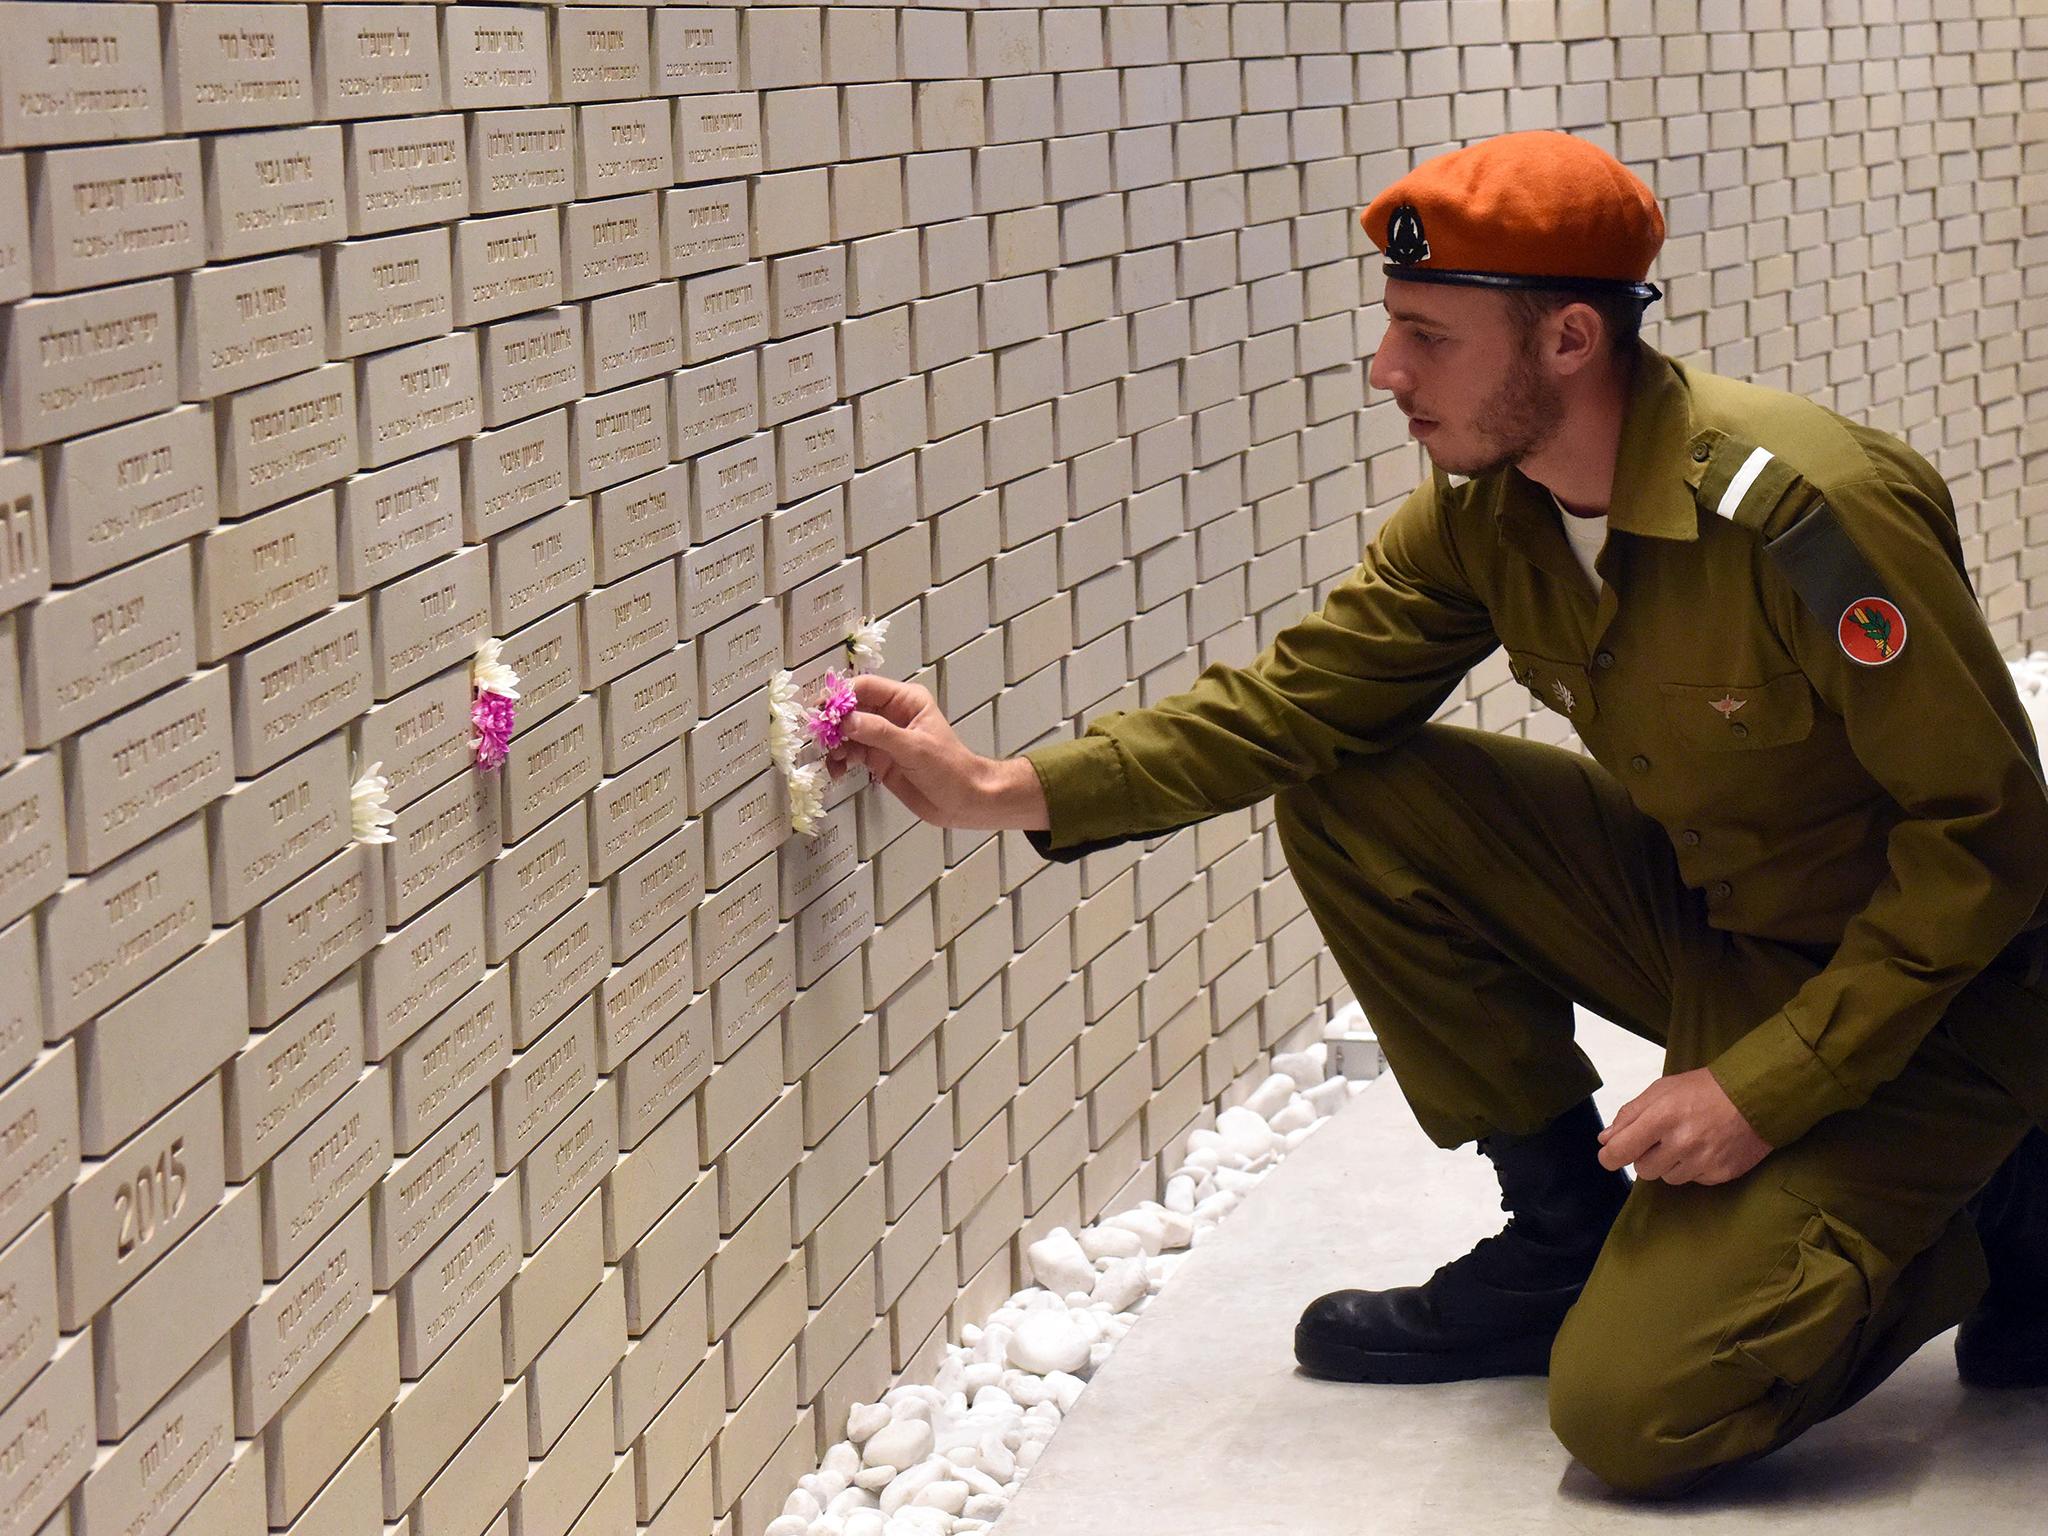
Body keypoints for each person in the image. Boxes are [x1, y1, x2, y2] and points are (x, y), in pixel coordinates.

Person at [819, 129, 2048, 1495]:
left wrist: (1764, 1094)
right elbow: (1293, 705)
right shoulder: (1494, 513)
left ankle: (2000, 1207)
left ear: (1569, 339)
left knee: (1636, 1414)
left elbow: (1983, 842)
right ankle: (1563, 1232)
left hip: (1951, 997)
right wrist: (1000, 791)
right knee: (1355, 781)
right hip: (1730, 928)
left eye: (1426, 335)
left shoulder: (1802, 508)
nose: (1384, 371)